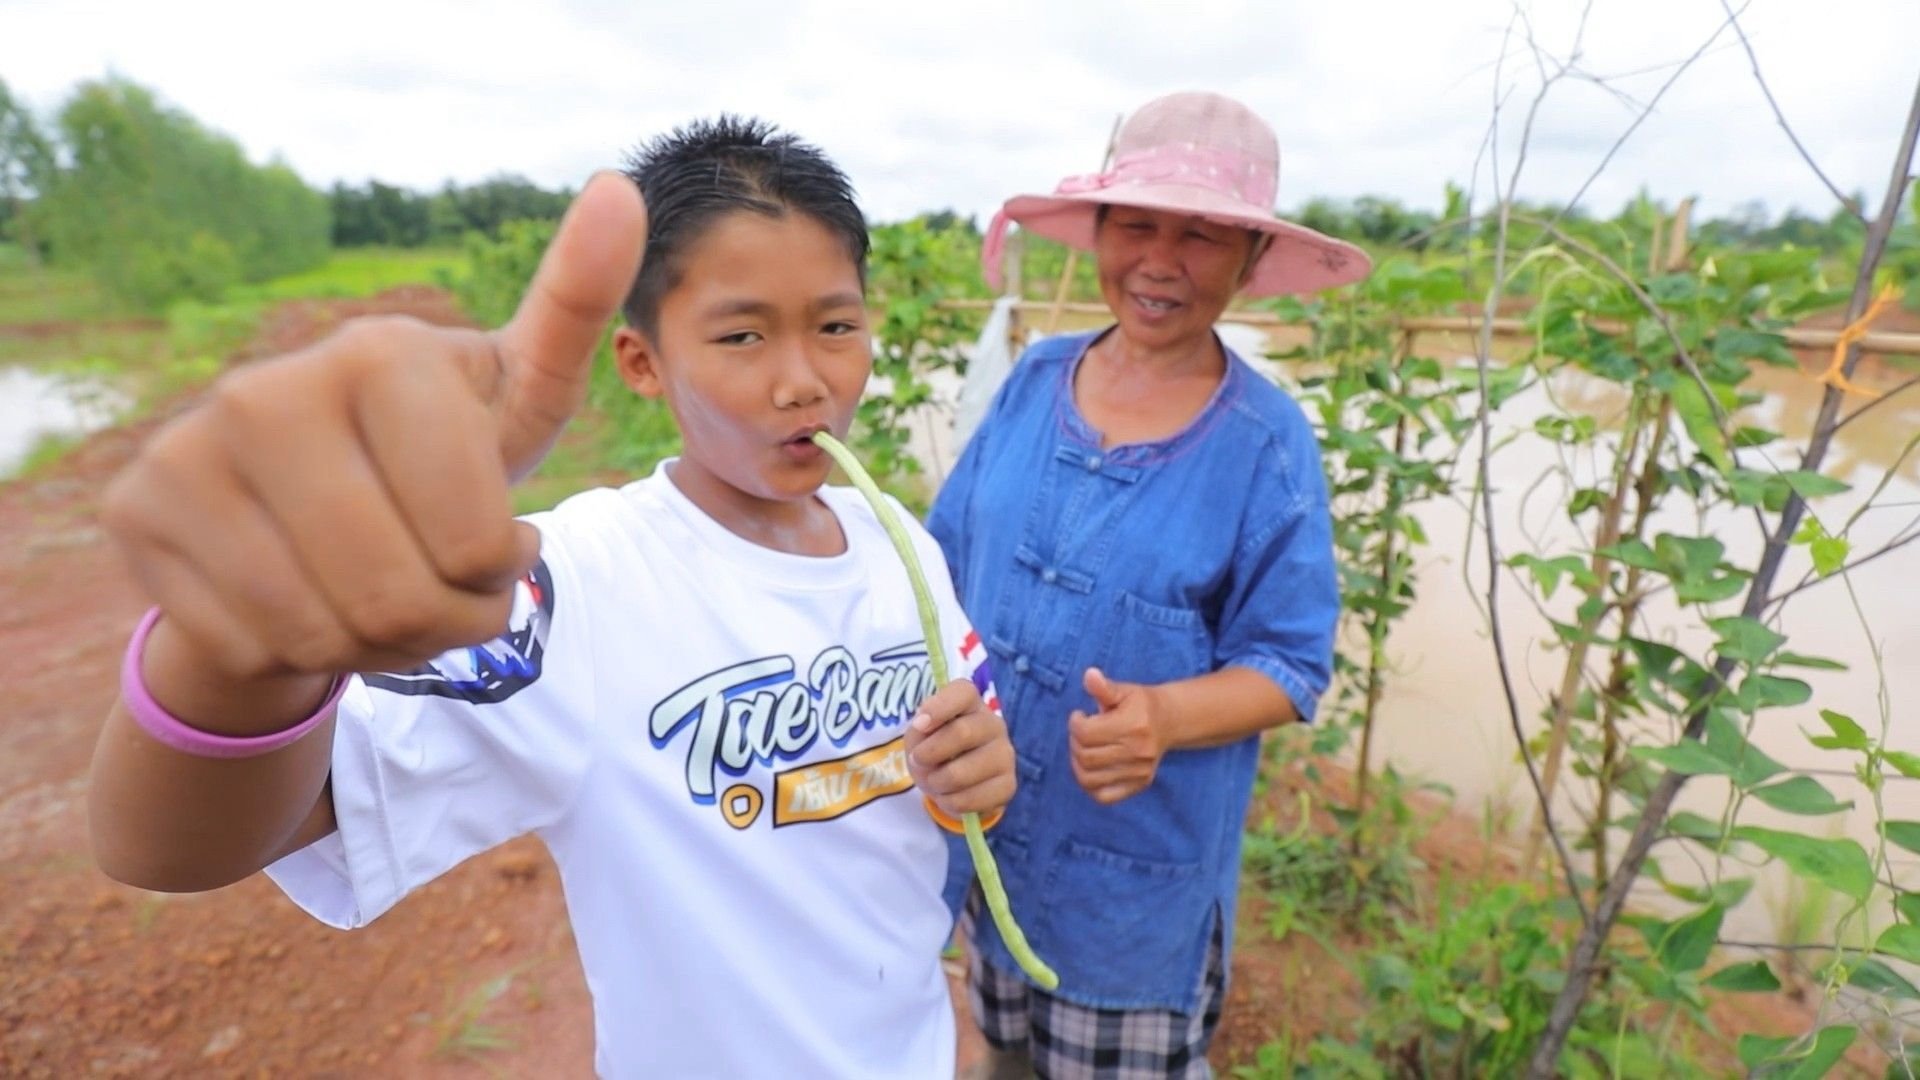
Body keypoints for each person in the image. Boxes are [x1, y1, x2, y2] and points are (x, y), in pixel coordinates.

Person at [87, 117, 1017, 1079]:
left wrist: (976, 774)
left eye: (835, 325)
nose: (803, 381)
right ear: (643, 362)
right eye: (742, 335)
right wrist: (240, 654)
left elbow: (957, 752)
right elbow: (163, 848)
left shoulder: (901, 544)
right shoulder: (578, 583)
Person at [928, 91, 1370, 1078]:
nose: (1161, 261)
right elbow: (941, 563)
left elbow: (1290, 664)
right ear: (1097, 231)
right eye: (1136, 224)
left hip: (1133, 895)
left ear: (1252, 262)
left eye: (1205, 236)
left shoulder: (1265, 444)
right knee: (997, 1054)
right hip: (986, 840)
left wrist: (1166, 716)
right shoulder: (1034, 381)